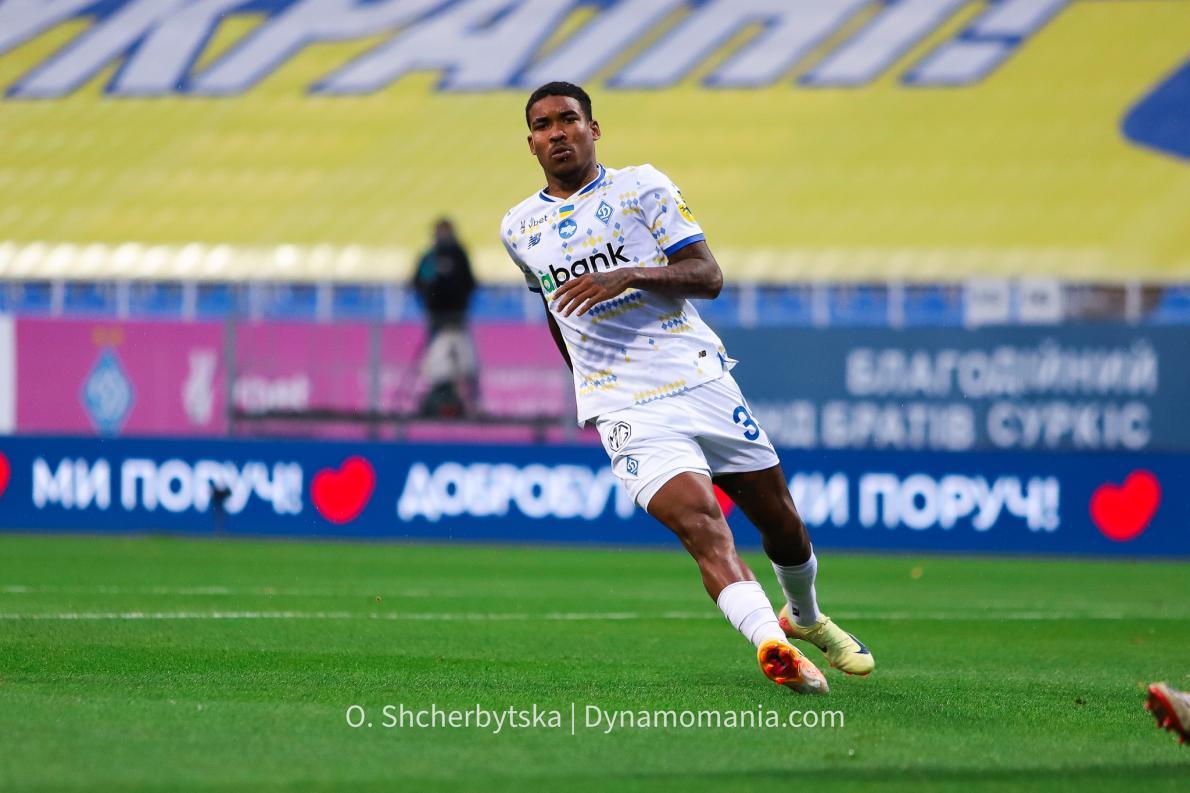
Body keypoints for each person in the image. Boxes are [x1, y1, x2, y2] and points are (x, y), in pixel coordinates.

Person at [499, 82, 873, 694]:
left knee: (780, 521)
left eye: (569, 119)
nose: (557, 132)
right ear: (531, 143)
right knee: (702, 527)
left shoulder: (641, 187)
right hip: (624, 405)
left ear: (594, 129)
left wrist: (628, 275)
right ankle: (772, 644)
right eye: (543, 125)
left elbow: (708, 275)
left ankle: (803, 616)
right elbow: (553, 308)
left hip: (697, 379)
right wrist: (587, 382)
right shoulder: (519, 227)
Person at [411, 218, 478, 417]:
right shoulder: (430, 257)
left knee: (467, 366)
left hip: (457, 320)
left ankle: (471, 405)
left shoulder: (459, 256)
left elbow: (469, 283)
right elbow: (419, 282)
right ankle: (438, 402)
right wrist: (431, 304)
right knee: (438, 366)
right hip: (438, 322)